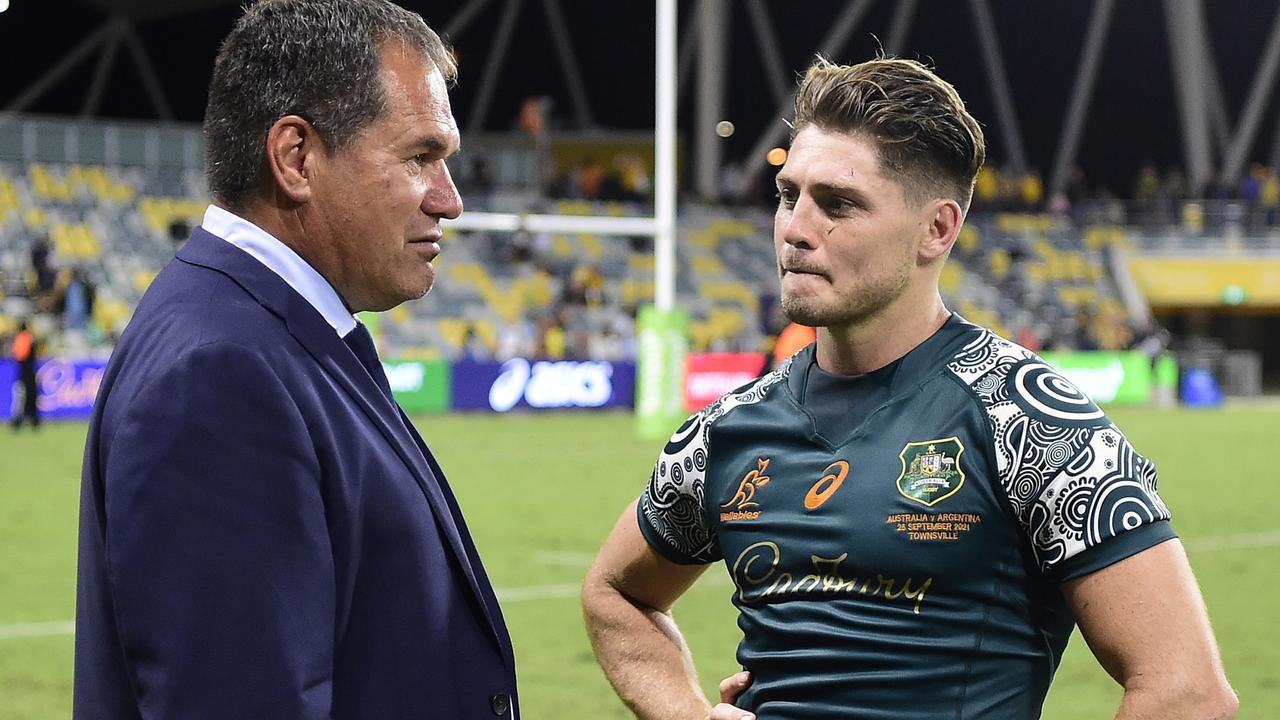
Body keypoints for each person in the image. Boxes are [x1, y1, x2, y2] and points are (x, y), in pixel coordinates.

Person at [582, 56, 1237, 720]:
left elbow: (1186, 690)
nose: (795, 230)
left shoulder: (1031, 421)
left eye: (837, 204)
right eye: (787, 196)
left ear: (937, 230)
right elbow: (616, 594)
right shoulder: (727, 430)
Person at [75, 2, 518, 718]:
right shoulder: (221, 372)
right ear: (297, 158)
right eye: (419, 158)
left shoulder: (266, 332)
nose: (451, 200)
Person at [9, 320, 39, 430]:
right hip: (31, 372)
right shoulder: (31, 338)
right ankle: (34, 421)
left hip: (23, 374)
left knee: (20, 399)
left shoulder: (22, 338)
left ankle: (17, 422)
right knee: (32, 398)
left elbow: (20, 355)